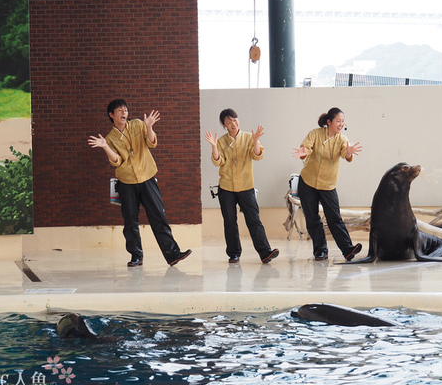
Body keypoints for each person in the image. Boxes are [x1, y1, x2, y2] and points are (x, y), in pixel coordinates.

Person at [88, 99, 191, 268]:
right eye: (119, 110)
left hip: (147, 178)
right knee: (130, 222)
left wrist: (149, 127)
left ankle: (172, 254)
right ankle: (136, 256)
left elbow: (152, 142)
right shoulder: (110, 138)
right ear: (111, 115)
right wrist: (105, 147)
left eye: (126, 110)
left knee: (159, 216)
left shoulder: (137, 124)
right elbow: (117, 161)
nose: (124, 113)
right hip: (126, 182)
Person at [204, 108, 279, 264]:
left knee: (254, 220)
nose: (233, 123)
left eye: (235, 119)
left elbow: (257, 156)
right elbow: (218, 161)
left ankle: (265, 252)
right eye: (228, 122)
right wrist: (213, 146)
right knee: (230, 222)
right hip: (226, 188)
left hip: (246, 186)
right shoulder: (222, 141)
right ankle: (234, 254)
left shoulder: (248, 137)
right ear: (224, 125)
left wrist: (256, 140)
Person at [292, 107, 363, 261]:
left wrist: (349, 151)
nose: (341, 124)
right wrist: (303, 153)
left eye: (343, 122)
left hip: (328, 185)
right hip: (308, 182)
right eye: (338, 121)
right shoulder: (315, 134)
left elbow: (346, 154)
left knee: (335, 218)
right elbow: (306, 148)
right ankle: (320, 251)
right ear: (329, 122)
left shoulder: (342, 139)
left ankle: (348, 249)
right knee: (312, 218)